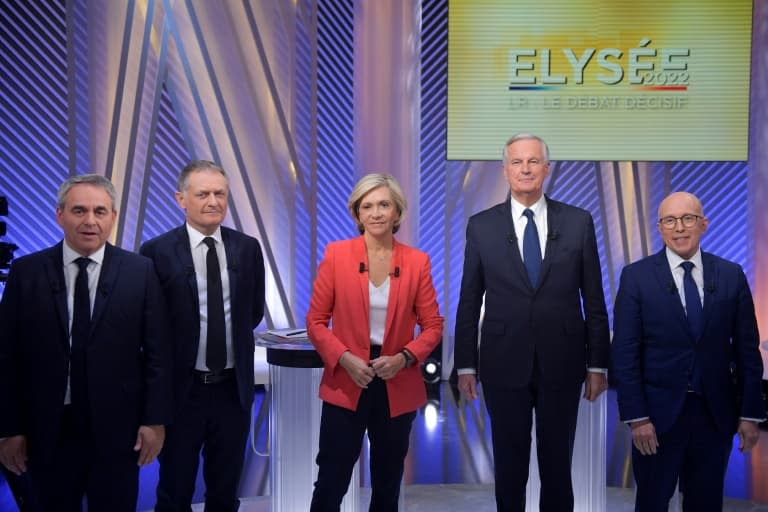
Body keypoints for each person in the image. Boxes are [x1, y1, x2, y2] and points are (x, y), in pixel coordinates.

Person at [454, 133, 610, 512]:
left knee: (558, 465)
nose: (525, 169)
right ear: (505, 171)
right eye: (517, 162)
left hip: (564, 360)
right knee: (509, 465)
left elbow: (593, 298)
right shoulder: (481, 225)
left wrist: (598, 363)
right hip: (502, 362)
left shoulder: (578, 222)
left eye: (533, 162)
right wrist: (465, 365)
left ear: (547, 169)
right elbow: (470, 300)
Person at [0, 174, 171, 511]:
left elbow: (159, 354)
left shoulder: (141, 272)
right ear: (59, 214)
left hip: (118, 433)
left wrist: (154, 421)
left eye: (100, 211)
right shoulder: (26, 273)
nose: (90, 221)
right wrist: (9, 429)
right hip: (45, 431)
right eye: (79, 211)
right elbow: (7, 357)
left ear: (113, 217)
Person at [611, 191, 765, 512]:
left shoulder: (731, 275)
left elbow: (747, 350)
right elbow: (625, 353)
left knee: (706, 504)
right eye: (670, 220)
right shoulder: (636, 277)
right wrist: (637, 418)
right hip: (656, 419)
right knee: (652, 502)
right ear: (660, 227)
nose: (679, 227)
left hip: (714, 416)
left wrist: (750, 413)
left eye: (688, 219)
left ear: (704, 224)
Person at [306, 173, 444, 511]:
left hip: (396, 377)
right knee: (331, 479)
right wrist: (345, 358)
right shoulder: (337, 255)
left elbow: (433, 325)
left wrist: (405, 357)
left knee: (387, 482)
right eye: (367, 206)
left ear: (397, 211)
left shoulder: (417, 261)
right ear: (356, 214)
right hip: (347, 377)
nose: (376, 213)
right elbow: (315, 322)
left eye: (384, 205)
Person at [140, 160, 265, 511]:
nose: (213, 201)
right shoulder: (156, 251)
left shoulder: (247, 248)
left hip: (232, 390)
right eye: (203, 194)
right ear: (181, 199)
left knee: (225, 491)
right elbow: (151, 325)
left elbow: (252, 313)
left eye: (220, 193)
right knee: (175, 489)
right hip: (182, 392)